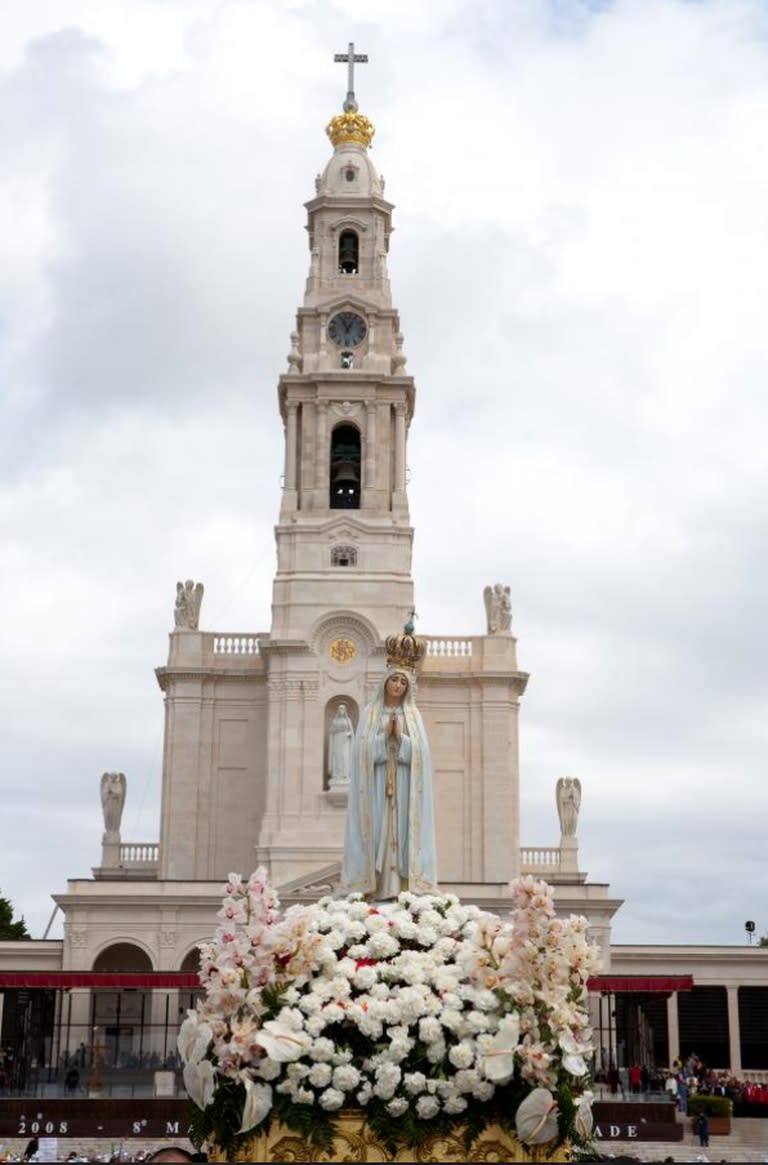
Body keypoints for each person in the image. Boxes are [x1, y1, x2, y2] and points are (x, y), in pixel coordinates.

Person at [341, 653, 437, 899]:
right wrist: (385, 738)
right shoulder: (370, 713)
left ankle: (403, 888)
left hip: (405, 787)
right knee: (379, 829)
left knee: (402, 829)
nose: (398, 685)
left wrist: (401, 738)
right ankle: (377, 887)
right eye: (394, 680)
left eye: (403, 682)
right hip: (376, 786)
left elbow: (422, 754)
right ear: (385, 681)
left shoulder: (414, 717)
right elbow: (360, 753)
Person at [328, 704, 354, 788]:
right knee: (337, 757)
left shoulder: (348, 720)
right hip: (337, 740)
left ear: (345, 711)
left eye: (343, 709)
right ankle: (337, 775)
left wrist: (348, 734)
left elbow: (351, 732)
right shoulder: (335, 721)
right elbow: (331, 731)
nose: (341, 711)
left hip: (345, 741)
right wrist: (334, 730)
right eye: (340, 709)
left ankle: (345, 775)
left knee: (345, 757)